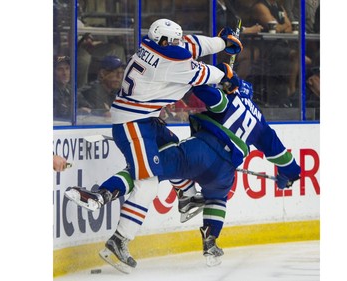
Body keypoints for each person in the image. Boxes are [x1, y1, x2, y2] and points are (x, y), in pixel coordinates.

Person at [65, 64, 301, 272]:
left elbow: (199, 88)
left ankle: (104, 193)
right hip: (225, 172)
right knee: (217, 199)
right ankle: (210, 243)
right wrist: (287, 177)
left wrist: (216, 77)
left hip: (201, 151)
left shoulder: (228, 99)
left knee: (147, 167)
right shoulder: (261, 124)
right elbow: (283, 158)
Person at [65, 18, 243, 271]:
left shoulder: (152, 47)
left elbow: (192, 45)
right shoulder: (171, 64)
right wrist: (227, 74)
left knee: (174, 151)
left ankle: (186, 197)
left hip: (144, 120)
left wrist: (221, 42)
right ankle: (119, 237)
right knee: (147, 182)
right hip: (133, 124)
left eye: (177, 40)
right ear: (161, 40)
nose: (177, 43)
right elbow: (203, 74)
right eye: (172, 40)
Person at [246, 0, 312, 107]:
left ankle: (294, 95)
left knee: (306, 61)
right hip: (267, 49)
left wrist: (281, 27)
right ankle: (291, 90)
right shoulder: (260, 6)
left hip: (282, 47)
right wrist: (283, 26)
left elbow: (289, 26)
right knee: (298, 57)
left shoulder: (279, 7)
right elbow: (274, 28)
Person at [53, 55, 91, 121]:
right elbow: (59, 112)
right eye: (60, 69)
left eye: (67, 68)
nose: (65, 73)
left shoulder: (71, 89)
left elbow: (87, 107)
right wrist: (79, 111)